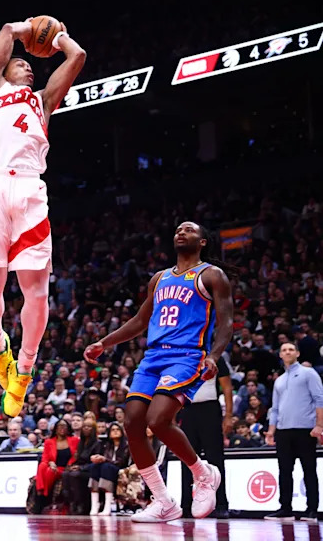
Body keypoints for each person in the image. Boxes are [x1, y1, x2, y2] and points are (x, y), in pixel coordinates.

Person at [0, 18, 87, 418]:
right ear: (4, 71)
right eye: (21, 64)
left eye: (30, 65)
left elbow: (78, 56)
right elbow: (2, 35)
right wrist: (20, 29)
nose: (28, 67)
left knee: (36, 291)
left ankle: (26, 368)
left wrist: (57, 37)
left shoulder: (43, 100)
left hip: (30, 188)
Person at [85, 222, 232, 522]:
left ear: (202, 241)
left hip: (187, 356)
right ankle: (163, 501)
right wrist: (104, 342)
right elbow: (140, 321)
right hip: (153, 358)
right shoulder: (159, 278)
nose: (181, 232)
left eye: (189, 230)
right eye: (178, 229)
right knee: (133, 423)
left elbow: (227, 323)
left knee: (158, 419)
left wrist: (214, 356)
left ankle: (203, 474)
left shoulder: (212, 275)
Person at [264, 342, 323, 522]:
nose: (287, 352)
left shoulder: (308, 373)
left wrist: (319, 425)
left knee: (309, 470)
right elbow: (275, 408)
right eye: (284, 350)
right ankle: (285, 509)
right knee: (284, 471)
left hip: (305, 429)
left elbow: (319, 399)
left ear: (297, 353)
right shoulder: (279, 380)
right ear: (280, 355)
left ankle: (312, 509)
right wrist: (271, 431)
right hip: (283, 431)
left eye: (291, 349)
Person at [179, 356, 233, 518]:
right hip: (187, 411)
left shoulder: (215, 358)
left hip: (210, 409)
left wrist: (228, 415)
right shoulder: (182, 358)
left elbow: (227, 387)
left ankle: (221, 504)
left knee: (215, 458)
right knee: (187, 460)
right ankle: (186, 505)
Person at [34, 419, 79, 513]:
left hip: (66, 469)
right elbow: (45, 458)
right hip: (54, 467)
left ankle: (43, 495)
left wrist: (71, 464)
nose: (62, 428)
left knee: (49, 471)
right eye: (60, 426)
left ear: (68, 428)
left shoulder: (74, 440)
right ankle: (40, 490)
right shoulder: (49, 441)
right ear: (55, 428)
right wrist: (50, 462)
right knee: (43, 466)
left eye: (64, 426)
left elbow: (76, 456)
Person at [88, 422, 129, 516]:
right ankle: (95, 504)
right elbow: (102, 458)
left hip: (120, 469)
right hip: (106, 468)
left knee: (106, 467)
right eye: (112, 430)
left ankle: (108, 506)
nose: (115, 432)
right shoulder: (105, 445)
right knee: (94, 466)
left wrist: (105, 459)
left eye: (117, 429)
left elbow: (121, 462)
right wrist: (96, 458)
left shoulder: (126, 445)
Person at [66, 418, 100, 515]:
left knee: (75, 475)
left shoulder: (97, 443)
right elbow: (78, 459)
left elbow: (96, 461)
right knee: (65, 474)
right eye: (84, 426)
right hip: (82, 468)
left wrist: (80, 468)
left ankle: (81, 503)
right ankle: (71, 502)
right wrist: (73, 466)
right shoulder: (81, 443)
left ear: (93, 429)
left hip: (92, 470)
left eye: (89, 427)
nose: (86, 428)